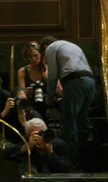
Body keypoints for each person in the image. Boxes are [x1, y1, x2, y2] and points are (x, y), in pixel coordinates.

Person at [40, 36, 95, 164]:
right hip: (90, 82)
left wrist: (50, 95)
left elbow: (52, 74)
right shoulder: (71, 45)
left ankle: (69, 159)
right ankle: (81, 158)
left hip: (75, 82)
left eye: (44, 55)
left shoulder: (51, 48)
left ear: (45, 48)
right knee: (79, 121)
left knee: (68, 121)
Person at [3, 118, 72, 174]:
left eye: (42, 133)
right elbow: (6, 154)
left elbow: (66, 170)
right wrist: (27, 146)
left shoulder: (58, 144)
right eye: (37, 134)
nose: (40, 137)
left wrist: (50, 152)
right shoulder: (27, 141)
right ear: (28, 136)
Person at [18, 42, 50, 116]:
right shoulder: (23, 71)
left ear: (41, 55)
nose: (34, 59)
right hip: (31, 104)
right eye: (30, 57)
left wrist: (46, 78)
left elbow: (59, 91)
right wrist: (26, 92)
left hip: (46, 103)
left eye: (36, 56)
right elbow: (21, 93)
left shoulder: (48, 69)